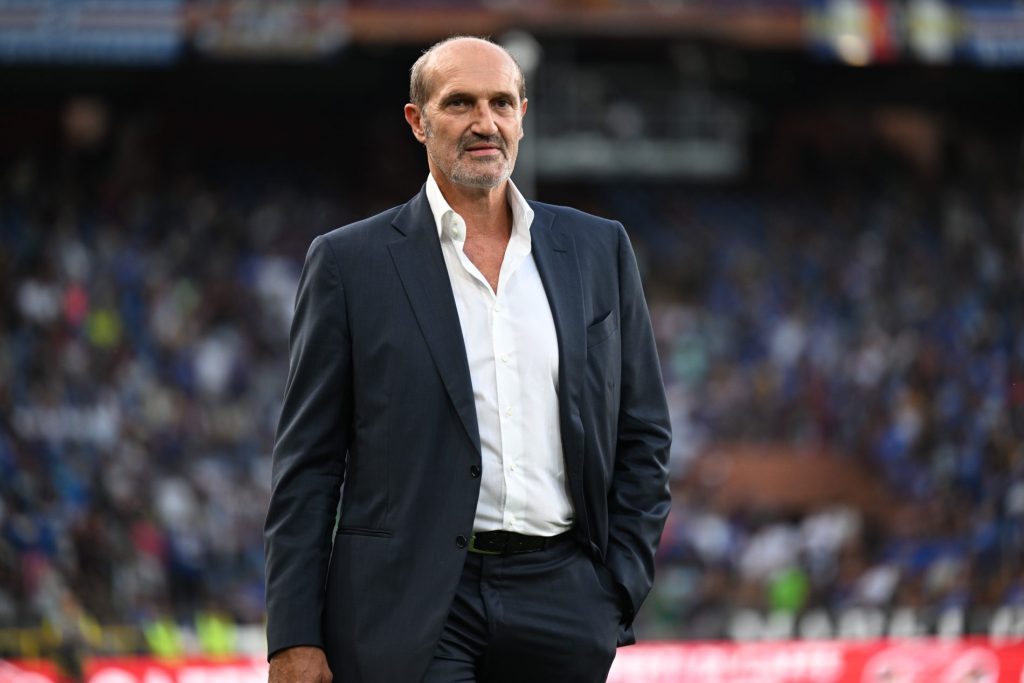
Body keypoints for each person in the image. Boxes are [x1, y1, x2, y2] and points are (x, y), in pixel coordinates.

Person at [264, 35, 671, 683]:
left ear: (522, 116)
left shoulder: (598, 249)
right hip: (407, 602)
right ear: (417, 120)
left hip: (563, 598)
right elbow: (309, 465)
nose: (485, 122)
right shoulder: (349, 262)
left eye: (501, 103)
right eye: (460, 103)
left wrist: (617, 584)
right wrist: (293, 635)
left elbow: (643, 432)